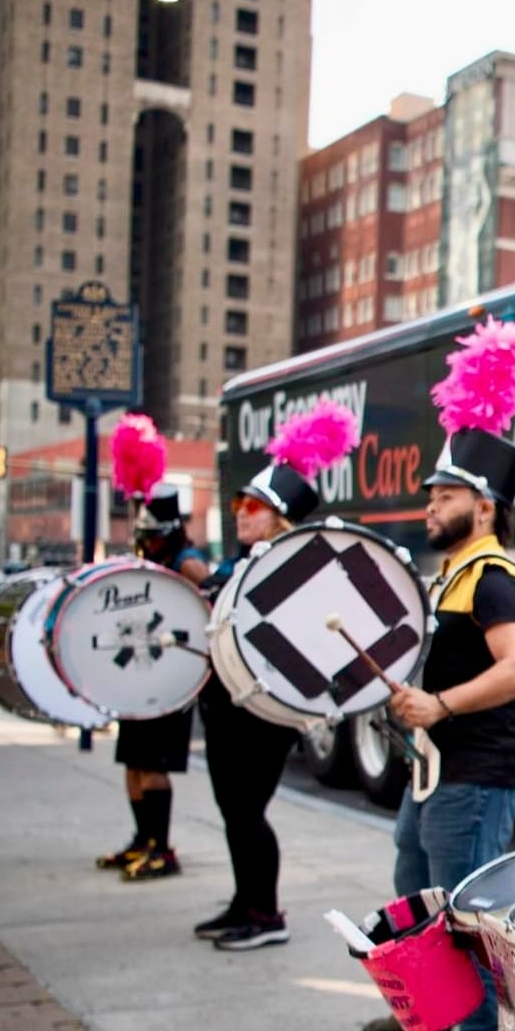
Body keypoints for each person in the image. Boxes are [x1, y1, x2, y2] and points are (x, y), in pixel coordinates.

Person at [358, 372, 515, 1031]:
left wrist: (441, 705)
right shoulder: (453, 577)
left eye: (445, 497)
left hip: (477, 772)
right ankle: (432, 1008)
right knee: (416, 887)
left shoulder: (495, 577)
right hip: (438, 771)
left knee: (466, 909)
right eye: (431, 496)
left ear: (484, 507)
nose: (431, 507)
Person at [193, 406, 357, 950]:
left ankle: (266, 915)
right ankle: (245, 902)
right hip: (224, 705)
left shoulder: (295, 568)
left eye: (254, 506)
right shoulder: (239, 564)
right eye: (239, 503)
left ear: (279, 518)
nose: (239, 513)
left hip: (263, 712)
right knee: (232, 809)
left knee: (246, 810)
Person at [98, 482, 211, 882]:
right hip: (140, 674)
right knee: (132, 762)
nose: (147, 543)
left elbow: (211, 596)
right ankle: (143, 839)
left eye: (152, 536)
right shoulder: (153, 560)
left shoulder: (186, 561)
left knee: (152, 765)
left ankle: (162, 849)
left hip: (170, 679)